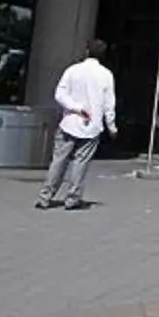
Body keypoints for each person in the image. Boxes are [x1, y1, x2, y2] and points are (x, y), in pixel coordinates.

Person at [39, 39, 115, 211]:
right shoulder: (106, 75)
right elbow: (108, 104)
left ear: (86, 51)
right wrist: (111, 125)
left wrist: (76, 108)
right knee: (80, 163)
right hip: (92, 126)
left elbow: (59, 94)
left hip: (69, 122)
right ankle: (72, 198)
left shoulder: (72, 70)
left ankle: (45, 196)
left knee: (58, 160)